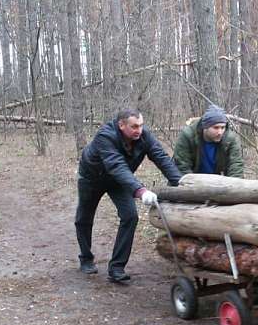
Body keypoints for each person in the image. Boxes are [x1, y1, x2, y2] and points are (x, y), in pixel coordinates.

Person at [74, 108, 182, 284]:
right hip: (92, 178)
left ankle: (116, 267)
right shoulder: (105, 136)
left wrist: (182, 184)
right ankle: (86, 258)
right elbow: (116, 165)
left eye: (141, 125)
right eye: (134, 126)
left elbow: (161, 158)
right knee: (84, 218)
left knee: (130, 216)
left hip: (119, 181)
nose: (139, 130)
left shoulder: (144, 136)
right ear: (121, 125)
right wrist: (140, 191)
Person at [173, 104, 244, 177]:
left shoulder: (230, 139)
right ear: (205, 127)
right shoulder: (188, 136)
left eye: (222, 127)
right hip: (193, 179)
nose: (220, 132)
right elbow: (182, 167)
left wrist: (233, 186)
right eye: (215, 128)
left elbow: (236, 165)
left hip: (216, 180)